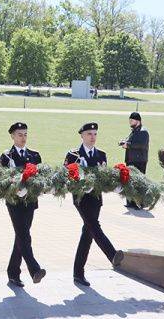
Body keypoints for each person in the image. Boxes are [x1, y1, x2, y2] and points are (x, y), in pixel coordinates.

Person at [65, 122, 124, 287]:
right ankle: (111, 254)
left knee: (88, 234)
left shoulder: (101, 155)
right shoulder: (73, 155)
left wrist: (116, 185)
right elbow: (68, 177)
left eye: (95, 134)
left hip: (96, 199)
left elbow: (105, 177)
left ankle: (78, 273)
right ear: (82, 136)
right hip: (81, 198)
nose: (93, 137)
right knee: (93, 225)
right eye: (89, 134)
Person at [0, 122, 46, 287]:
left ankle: (12, 273)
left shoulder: (34, 155)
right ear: (12, 136)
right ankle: (34, 269)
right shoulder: (7, 156)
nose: (23, 138)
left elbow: (40, 178)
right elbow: (1, 179)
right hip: (14, 202)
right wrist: (16, 189)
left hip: (30, 201)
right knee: (24, 236)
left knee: (21, 236)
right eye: (20, 134)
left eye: (25, 134)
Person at [120, 112, 150, 209]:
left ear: (138, 121)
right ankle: (130, 202)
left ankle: (141, 203)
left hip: (139, 161)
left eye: (131, 120)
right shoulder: (134, 130)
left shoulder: (143, 131)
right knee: (129, 181)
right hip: (131, 160)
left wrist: (128, 145)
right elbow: (132, 141)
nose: (130, 122)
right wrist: (123, 142)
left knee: (139, 183)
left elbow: (141, 145)